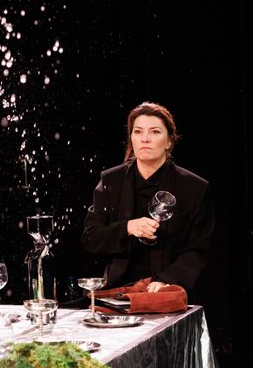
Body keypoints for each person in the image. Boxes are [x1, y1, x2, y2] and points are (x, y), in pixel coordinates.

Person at [81, 102, 214, 299]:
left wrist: (167, 280)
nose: (145, 139)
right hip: (119, 291)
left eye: (155, 132)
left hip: (168, 290)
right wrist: (128, 227)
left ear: (169, 141)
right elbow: (91, 237)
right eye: (138, 132)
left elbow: (198, 249)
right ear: (131, 139)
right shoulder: (111, 181)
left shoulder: (193, 188)